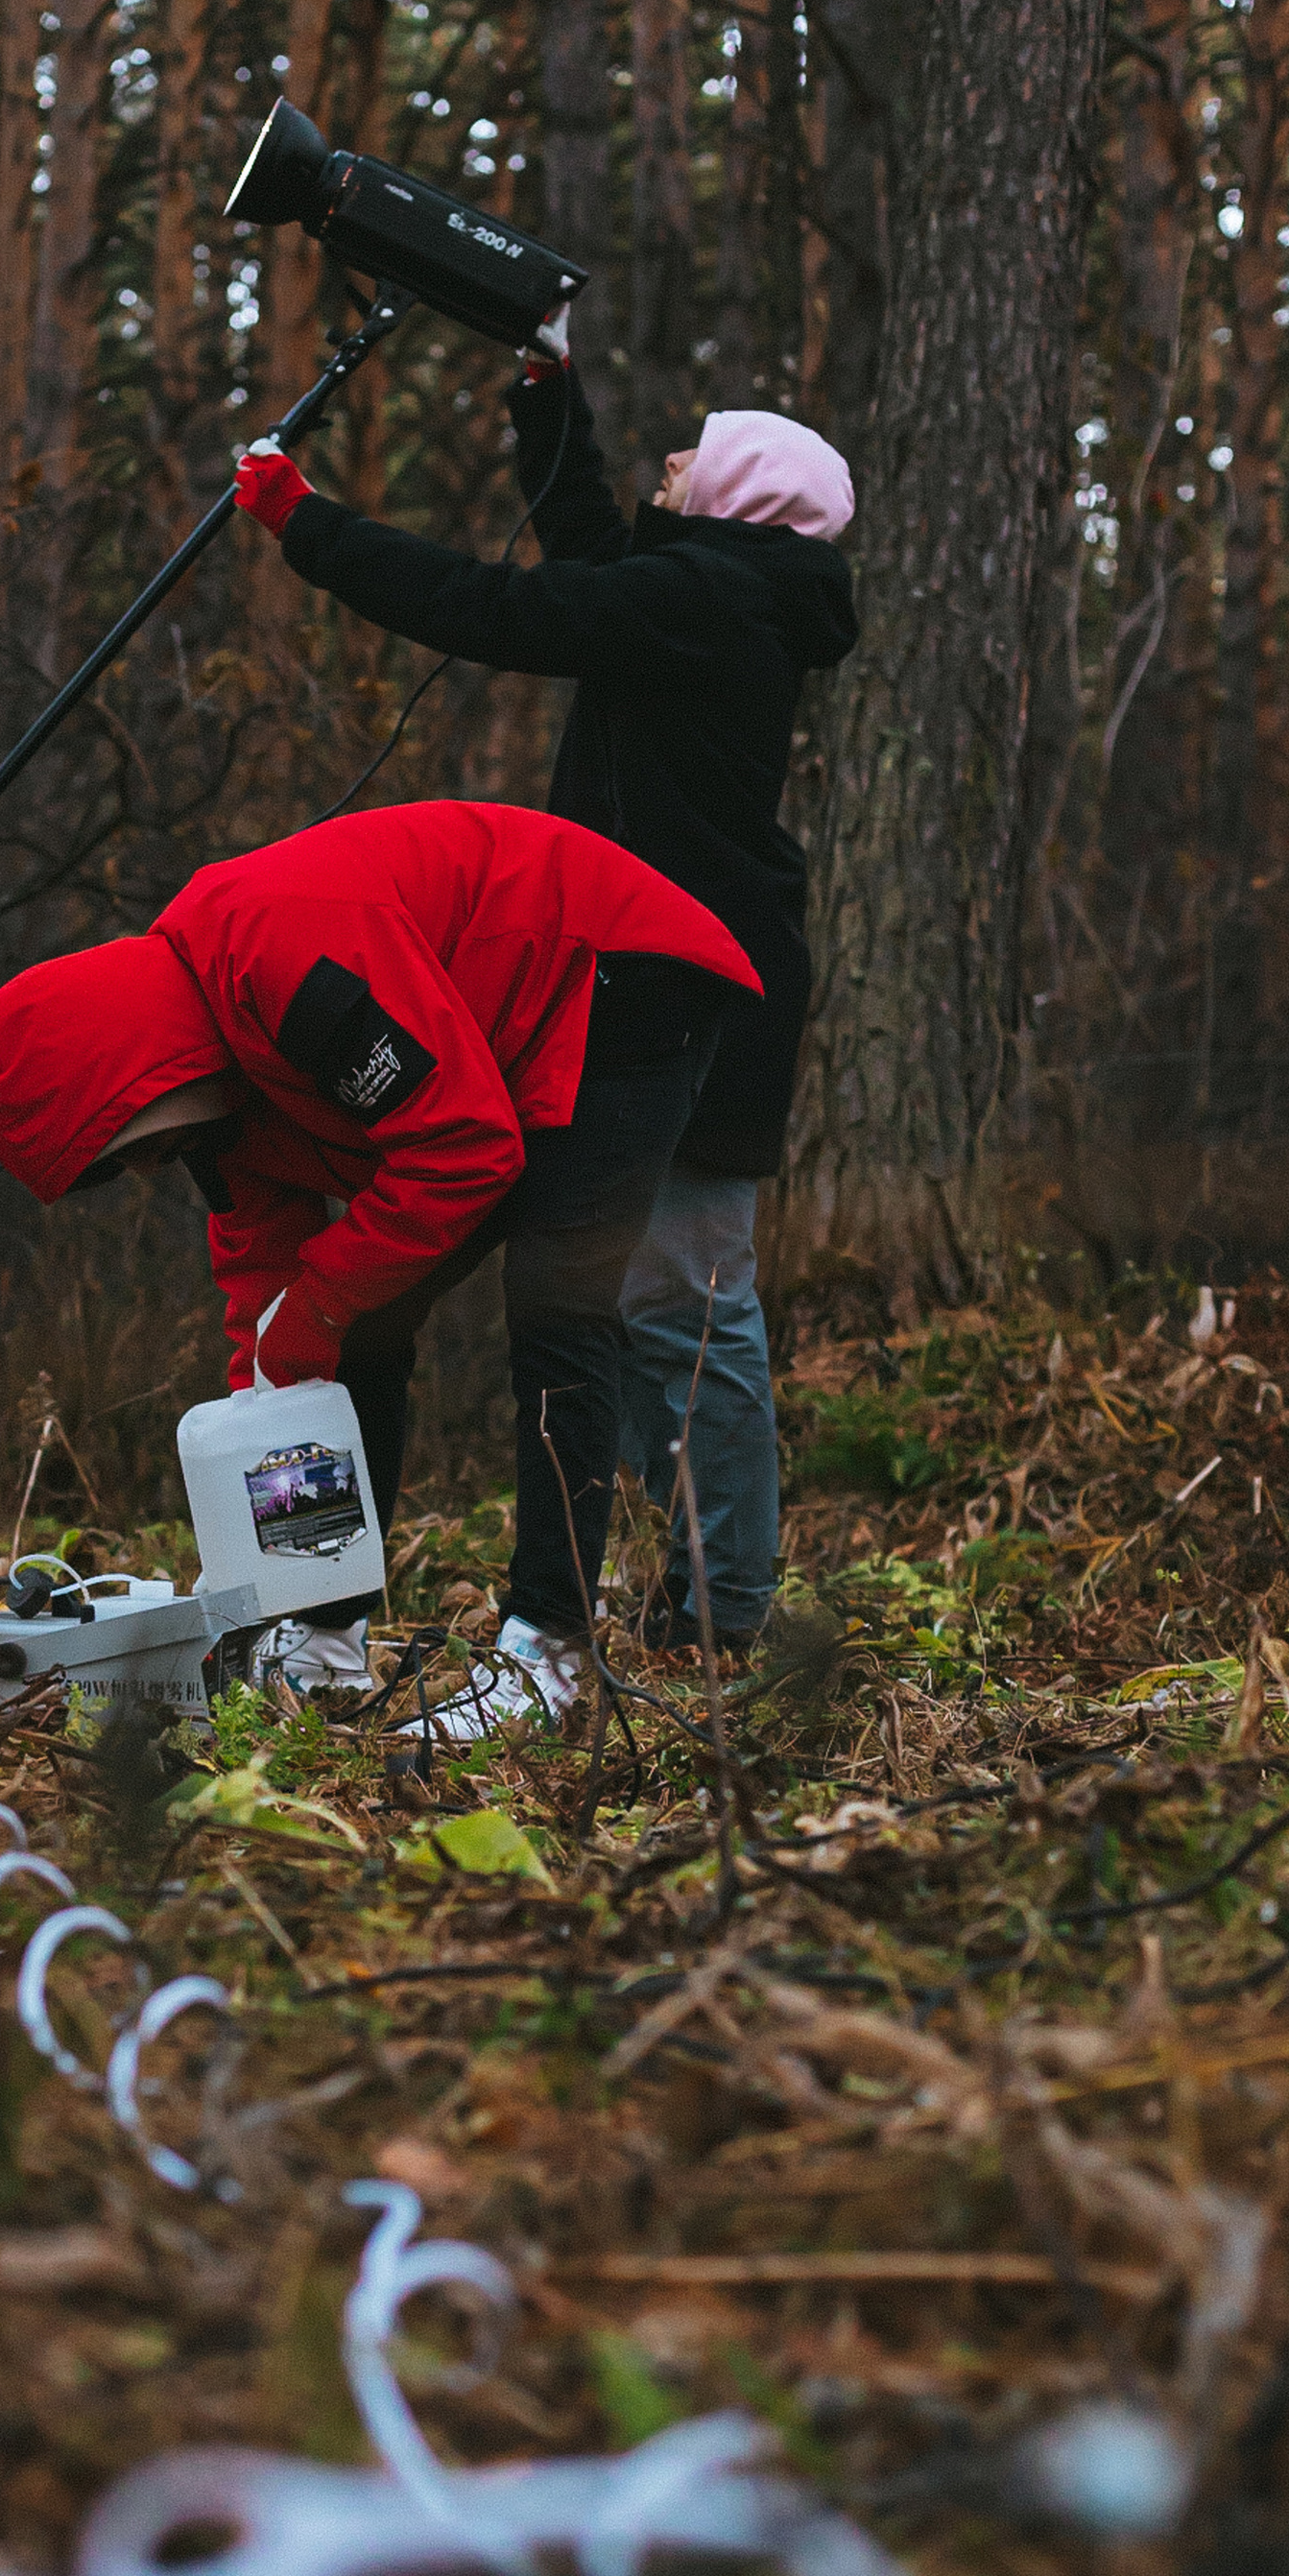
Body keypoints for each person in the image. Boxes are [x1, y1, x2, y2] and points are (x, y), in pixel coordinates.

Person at [231, 357, 856, 1652]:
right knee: (620, 1301)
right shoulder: (705, 593)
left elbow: (507, 607)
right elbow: (584, 554)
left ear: (743, 499)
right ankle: (645, 1596)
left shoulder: (712, 600)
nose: (668, 465)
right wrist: (549, 403)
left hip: (691, 998)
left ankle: (718, 1608)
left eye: (694, 455)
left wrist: (310, 524)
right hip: (616, 993)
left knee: (686, 1295)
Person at [0, 798, 757, 1736]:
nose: (140, 1171)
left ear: (137, 1068)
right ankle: (326, 1637)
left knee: (555, 1298)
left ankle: (551, 1647)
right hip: (495, 1048)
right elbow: (270, 1312)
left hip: (607, 968)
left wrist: (319, 1306)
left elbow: (463, 1148)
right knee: (358, 1324)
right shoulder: (218, 1114)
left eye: (128, 1147)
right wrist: (264, 1458)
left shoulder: (282, 966)